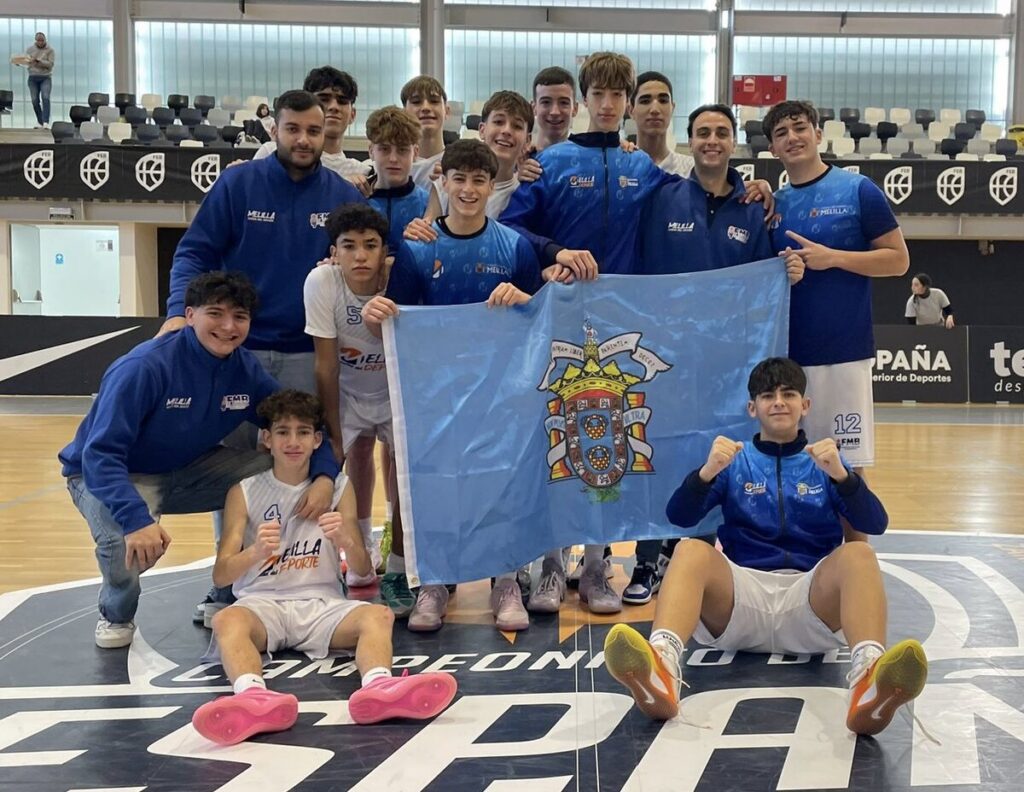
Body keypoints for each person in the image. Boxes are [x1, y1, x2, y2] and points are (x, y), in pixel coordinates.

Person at [604, 357, 928, 737]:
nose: (779, 402)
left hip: (810, 603)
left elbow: (876, 524)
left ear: (805, 406)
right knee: (692, 550)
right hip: (741, 602)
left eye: (789, 394)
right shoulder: (733, 462)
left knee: (859, 554)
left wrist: (843, 476)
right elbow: (679, 516)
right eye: (768, 395)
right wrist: (706, 473)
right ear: (752, 408)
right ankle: (660, 667)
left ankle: (868, 681)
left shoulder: (826, 463)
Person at [59, 272, 340, 649]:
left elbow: (299, 423)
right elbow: (100, 453)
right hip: (112, 474)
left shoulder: (244, 369)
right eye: (215, 314)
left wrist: (323, 476)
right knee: (120, 536)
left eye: (239, 317)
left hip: (190, 467)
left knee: (276, 472)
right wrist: (136, 518)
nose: (228, 326)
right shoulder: (144, 368)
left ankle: (226, 594)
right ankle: (117, 614)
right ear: (189, 315)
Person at [363, 140, 566, 634]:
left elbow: (539, 324)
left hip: (501, 394)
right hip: (437, 395)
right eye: (460, 179)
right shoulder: (416, 248)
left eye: (479, 180)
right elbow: (395, 325)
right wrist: (374, 317)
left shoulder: (514, 246)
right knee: (437, 487)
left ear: (490, 185)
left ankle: (506, 582)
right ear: (443, 182)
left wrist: (524, 298)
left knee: (502, 485)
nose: (469, 189)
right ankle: (433, 584)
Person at [501, 51, 671, 615]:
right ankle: (551, 565)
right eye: (596, 94)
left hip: (621, 325)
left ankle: (598, 566)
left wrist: (751, 188)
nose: (606, 104)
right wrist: (552, 256)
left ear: (625, 103)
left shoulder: (642, 168)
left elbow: (693, 204)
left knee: (609, 442)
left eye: (616, 95)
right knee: (558, 440)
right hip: (559, 319)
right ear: (582, 100)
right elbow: (513, 230)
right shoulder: (550, 163)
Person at [191, 390, 456, 745]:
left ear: (317, 440)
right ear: (266, 439)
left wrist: (347, 540)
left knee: (377, 616)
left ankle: (379, 686)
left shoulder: (340, 487)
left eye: (303, 432)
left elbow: (362, 569)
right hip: (262, 604)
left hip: (322, 604)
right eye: (282, 432)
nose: (293, 441)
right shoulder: (244, 490)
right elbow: (221, 574)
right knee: (227, 620)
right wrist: (254, 552)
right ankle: (252, 696)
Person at [624, 102, 804, 606]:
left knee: (715, 453)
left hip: (726, 360)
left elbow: (770, 274)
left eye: (721, 133)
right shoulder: (662, 198)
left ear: (732, 143)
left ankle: (698, 557)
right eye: (703, 132)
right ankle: (647, 557)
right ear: (691, 139)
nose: (712, 141)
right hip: (665, 355)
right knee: (657, 453)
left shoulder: (753, 207)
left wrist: (786, 271)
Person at [764, 100, 909, 535]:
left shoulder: (858, 190)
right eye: (782, 133)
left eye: (799, 127)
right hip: (788, 358)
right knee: (787, 465)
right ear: (772, 149)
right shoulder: (773, 206)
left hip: (844, 355)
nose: (793, 137)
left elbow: (898, 261)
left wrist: (833, 259)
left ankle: (854, 562)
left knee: (844, 468)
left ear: (817, 133)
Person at [304, 203, 412, 613]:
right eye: (349, 246)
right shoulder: (321, 282)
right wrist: (332, 433)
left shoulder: (400, 276)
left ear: (386, 251)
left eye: (370, 246)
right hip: (348, 394)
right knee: (333, 475)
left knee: (405, 481)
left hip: (394, 394)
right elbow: (326, 363)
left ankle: (400, 569)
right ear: (334, 252)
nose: (360, 255)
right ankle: (359, 558)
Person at [253, 67, 371, 184]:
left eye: (342, 101)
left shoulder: (362, 173)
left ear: (353, 114)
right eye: (324, 99)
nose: (334, 107)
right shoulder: (270, 152)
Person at [365, 106, 430, 249]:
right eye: (384, 149)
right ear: (371, 151)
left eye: (402, 150)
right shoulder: (357, 199)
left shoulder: (427, 204)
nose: (393, 158)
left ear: (415, 153)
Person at [630, 71, 693, 177]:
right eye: (645, 101)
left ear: (672, 108)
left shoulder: (691, 170)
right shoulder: (619, 167)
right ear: (630, 110)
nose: (655, 109)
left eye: (663, 101)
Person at [401, 75, 450, 189]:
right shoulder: (389, 164)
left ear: (447, 111)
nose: (426, 108)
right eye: (417, 102)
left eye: (434, 101)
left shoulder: (459, 164)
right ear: (403, 113)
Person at [531, 66, 579, 152]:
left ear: (575, 108)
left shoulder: (584, 160)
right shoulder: (519, 160)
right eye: (546, 102)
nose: (555, 112)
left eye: (563, 103)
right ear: (534, 107)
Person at [26, 32, 55, 128]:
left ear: (45, 40)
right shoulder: (30, 50)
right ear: (35, 40)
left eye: (42, 40)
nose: (40, 42)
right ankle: (40, 121)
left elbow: (50, 65)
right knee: (35, 100)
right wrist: (20, 62)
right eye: (38, 40)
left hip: (45, 77)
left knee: (45, 97)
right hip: (33, 77)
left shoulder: (50, 50)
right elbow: (27, 62)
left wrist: (39, 61)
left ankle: (46, 121)